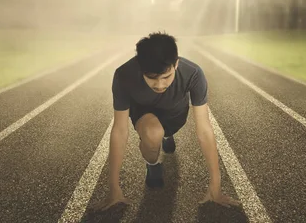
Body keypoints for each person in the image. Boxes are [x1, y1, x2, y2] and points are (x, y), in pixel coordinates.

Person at [94, 32, 241, 211]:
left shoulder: (193, 73)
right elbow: (120, 130)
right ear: (140, 68)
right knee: (153, 134)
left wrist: (215, 185)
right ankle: (153, 164)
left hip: (175, 114)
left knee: (164, 133)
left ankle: (167, 135)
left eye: (166, 77)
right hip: (144, 114)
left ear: (176, 64)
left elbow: (204, 130)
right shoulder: (124, 75)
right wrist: (114, 187)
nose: (160, 85)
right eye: (152, 78)